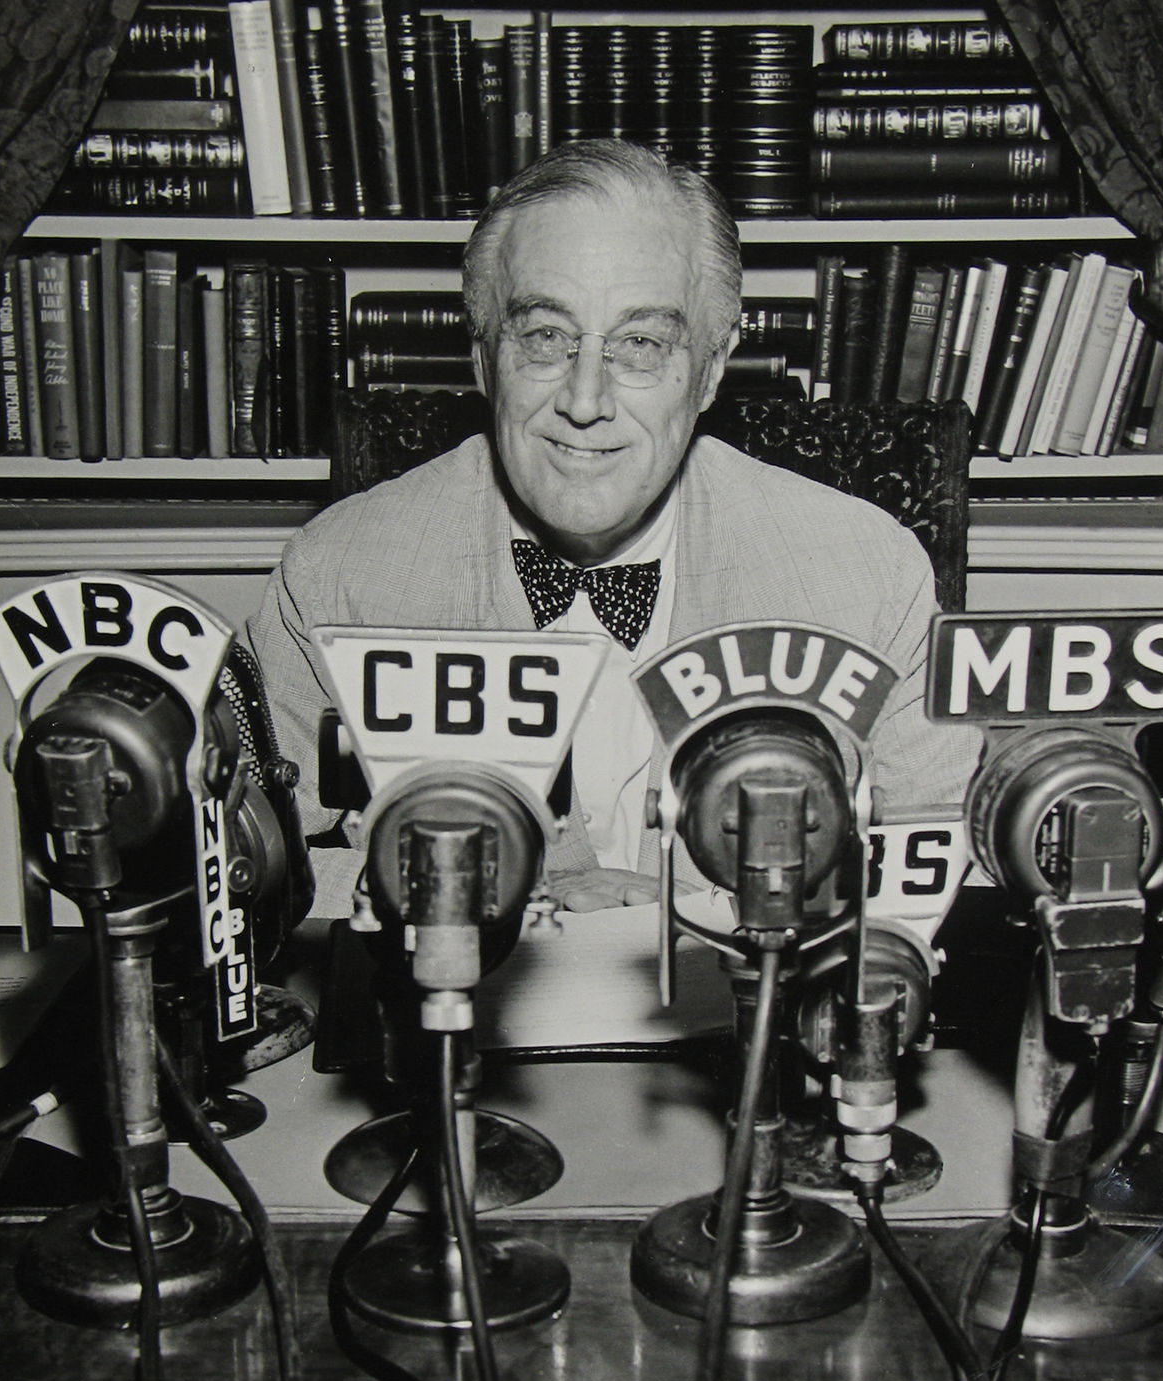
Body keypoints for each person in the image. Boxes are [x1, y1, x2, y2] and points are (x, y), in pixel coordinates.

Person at [248, 139, 979, 916]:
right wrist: (496, 897)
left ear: (711, 368)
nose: (586, 401)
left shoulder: (869, 576)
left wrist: (700, 915)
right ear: (483, 357)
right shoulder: (338, 574)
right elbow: (254, 864)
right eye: (544, 337)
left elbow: (937, 863)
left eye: (641, 344)